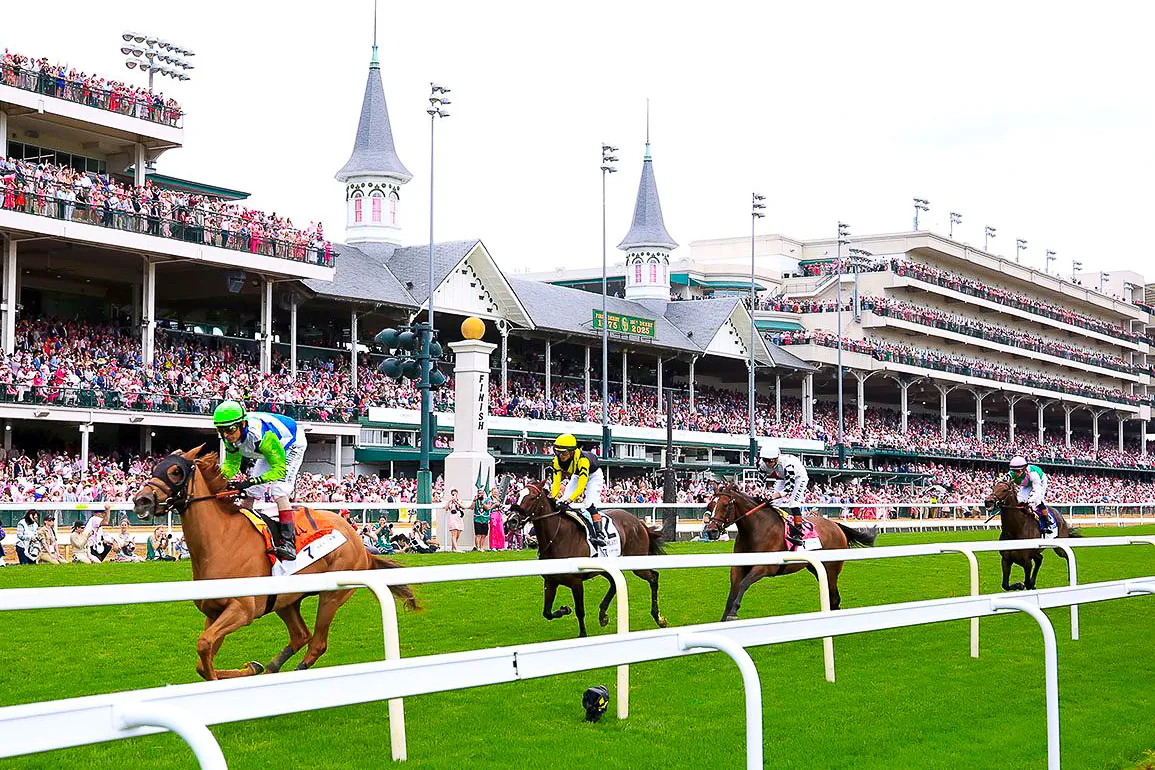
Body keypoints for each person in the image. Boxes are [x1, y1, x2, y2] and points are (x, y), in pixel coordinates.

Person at [213, 399, 307, 561]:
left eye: (230, 430)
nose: (226, 435)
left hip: (291, 444)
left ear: (243, 424)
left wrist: (250, 481)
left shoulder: (263, 436)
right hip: (267, 450)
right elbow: (232, 464)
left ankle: (289, 543)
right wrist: (218, 481)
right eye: (221, 430)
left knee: (279, 490)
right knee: (251, 493)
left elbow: (279, 470)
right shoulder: (229, 437)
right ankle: (243, 534)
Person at [549, 434, 606, 548]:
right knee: (561, 501)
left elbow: (581, 486)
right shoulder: (556, 461)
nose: (561, 456)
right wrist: (555, 497)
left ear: (571, 452)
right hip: (576, 474)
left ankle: (600, 534)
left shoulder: (583, 460)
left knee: (589, 505)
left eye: (564, 453)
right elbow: (556, 482)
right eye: (558, 452)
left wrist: (570, 500)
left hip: (593, 476)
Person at [758, 445, 809, 548]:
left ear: (776, 458)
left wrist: (777, 495)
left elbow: (789, 488)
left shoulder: (788, 465)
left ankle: (798, 533)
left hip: (799, 477)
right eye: (765, 460)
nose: (768, 464)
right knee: (774, 504)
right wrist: (758, 490)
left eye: (770, 461)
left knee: (794, 504)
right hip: (781, 478)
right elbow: (761, 480)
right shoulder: (762, 464)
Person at [1009, 456, 1052, 534]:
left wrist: (1030, 500)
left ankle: (1047, 523)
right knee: (1020, 500)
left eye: (1018, 471)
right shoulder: (1011, 474)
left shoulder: (1033, 474)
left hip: (1040, 480)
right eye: (1014, 470)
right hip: (1025, 483)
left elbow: (1037, 492)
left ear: (1024, 468)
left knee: (1038, 501)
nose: (1016, 473)